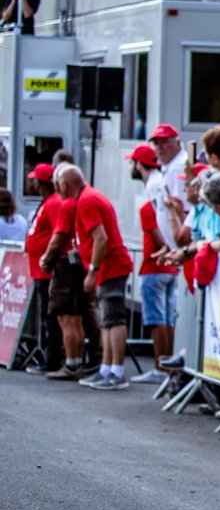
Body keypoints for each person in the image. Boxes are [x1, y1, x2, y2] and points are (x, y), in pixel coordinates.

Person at [57, 165, 135, 391]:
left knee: (113, 320)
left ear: (64, 184)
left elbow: (101, 238)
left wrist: (92, 270)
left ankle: (116, 372)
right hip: (109, 266)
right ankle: (107, 369)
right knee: (107, 321)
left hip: (111, 267)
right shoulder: (90, 196)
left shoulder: (86, 201)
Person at [125, 144, 176, 383]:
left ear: (139, 164)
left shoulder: (148, 208)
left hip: (154, 267)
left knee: (157, 319)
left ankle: (160, 366)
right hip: (168, 266)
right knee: (167, 319)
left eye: (133, 162)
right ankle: (165, 365)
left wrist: (165, 250)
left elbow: (158, 237)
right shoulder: (155, 203)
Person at [23, 164, 66, 375]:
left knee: (51, 316)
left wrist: (48, 258)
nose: (32, 183)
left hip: (47, 270)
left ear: (41, 183)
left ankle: (53, 359)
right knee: (46, 315)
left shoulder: (54, 203)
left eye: (35, 180)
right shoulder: (49, 203)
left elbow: (60, 234)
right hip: (41, 269)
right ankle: (49, 356)